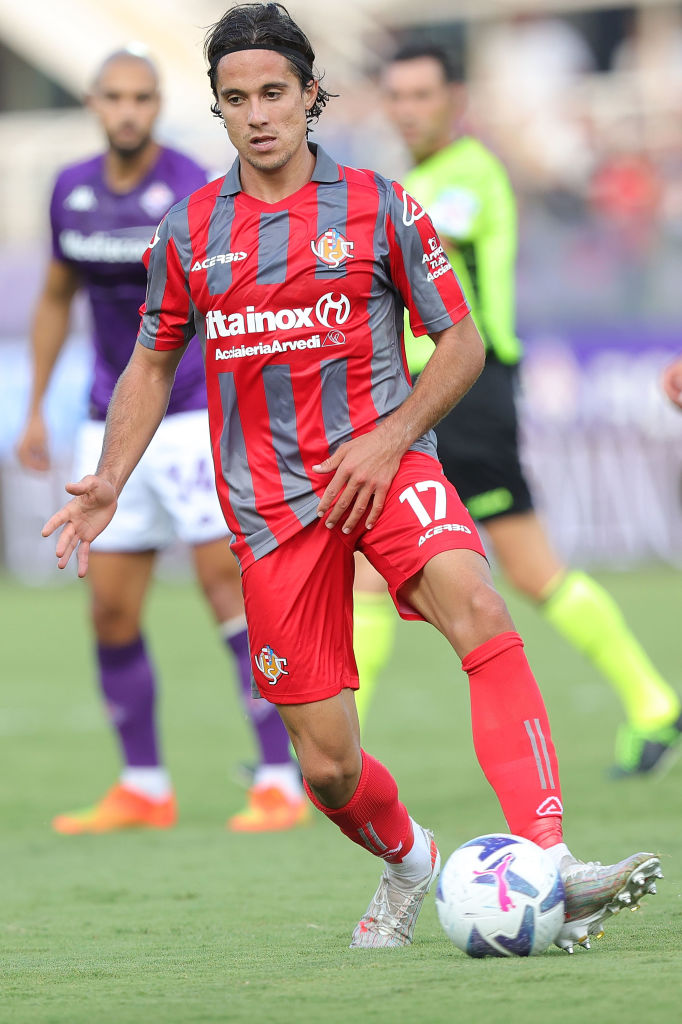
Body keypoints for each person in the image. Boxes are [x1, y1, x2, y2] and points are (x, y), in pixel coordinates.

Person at [43, 3, 660, 952]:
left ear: (312, 95)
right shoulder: (190, 229)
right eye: (237, 99)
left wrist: (394, 435)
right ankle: (409, 859)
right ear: (217, 106)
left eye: (275, 93)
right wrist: (109, 477)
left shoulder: (380, 205)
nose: (258, 114)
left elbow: (460, 341)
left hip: (387, 468)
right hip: (270, 511)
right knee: (327, 768)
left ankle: (550, 858)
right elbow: (151, 363)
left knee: (480, 605)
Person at [352, 42, 682, 776]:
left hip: (464, 392)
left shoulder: (466, 174)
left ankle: (331, 754)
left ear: (455, 100)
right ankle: (653, 700)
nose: (408, 110)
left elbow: (420, 243)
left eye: (422, 95)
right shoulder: (409, 183)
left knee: (510, 569)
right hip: (425, 395)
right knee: (386, 571)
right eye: (396, 97)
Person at [18, 46, 307, 834]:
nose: (127, 111)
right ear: (93, 103)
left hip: (191, 415)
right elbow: (56, 295)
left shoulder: (192, 186)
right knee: (110, 610)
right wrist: (36, 406)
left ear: (157, 104)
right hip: (107, 422)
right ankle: (144, 785)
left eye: (141, 98)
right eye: (114, 97)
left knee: (228, 596)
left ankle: (279, 778)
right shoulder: (70, 190)